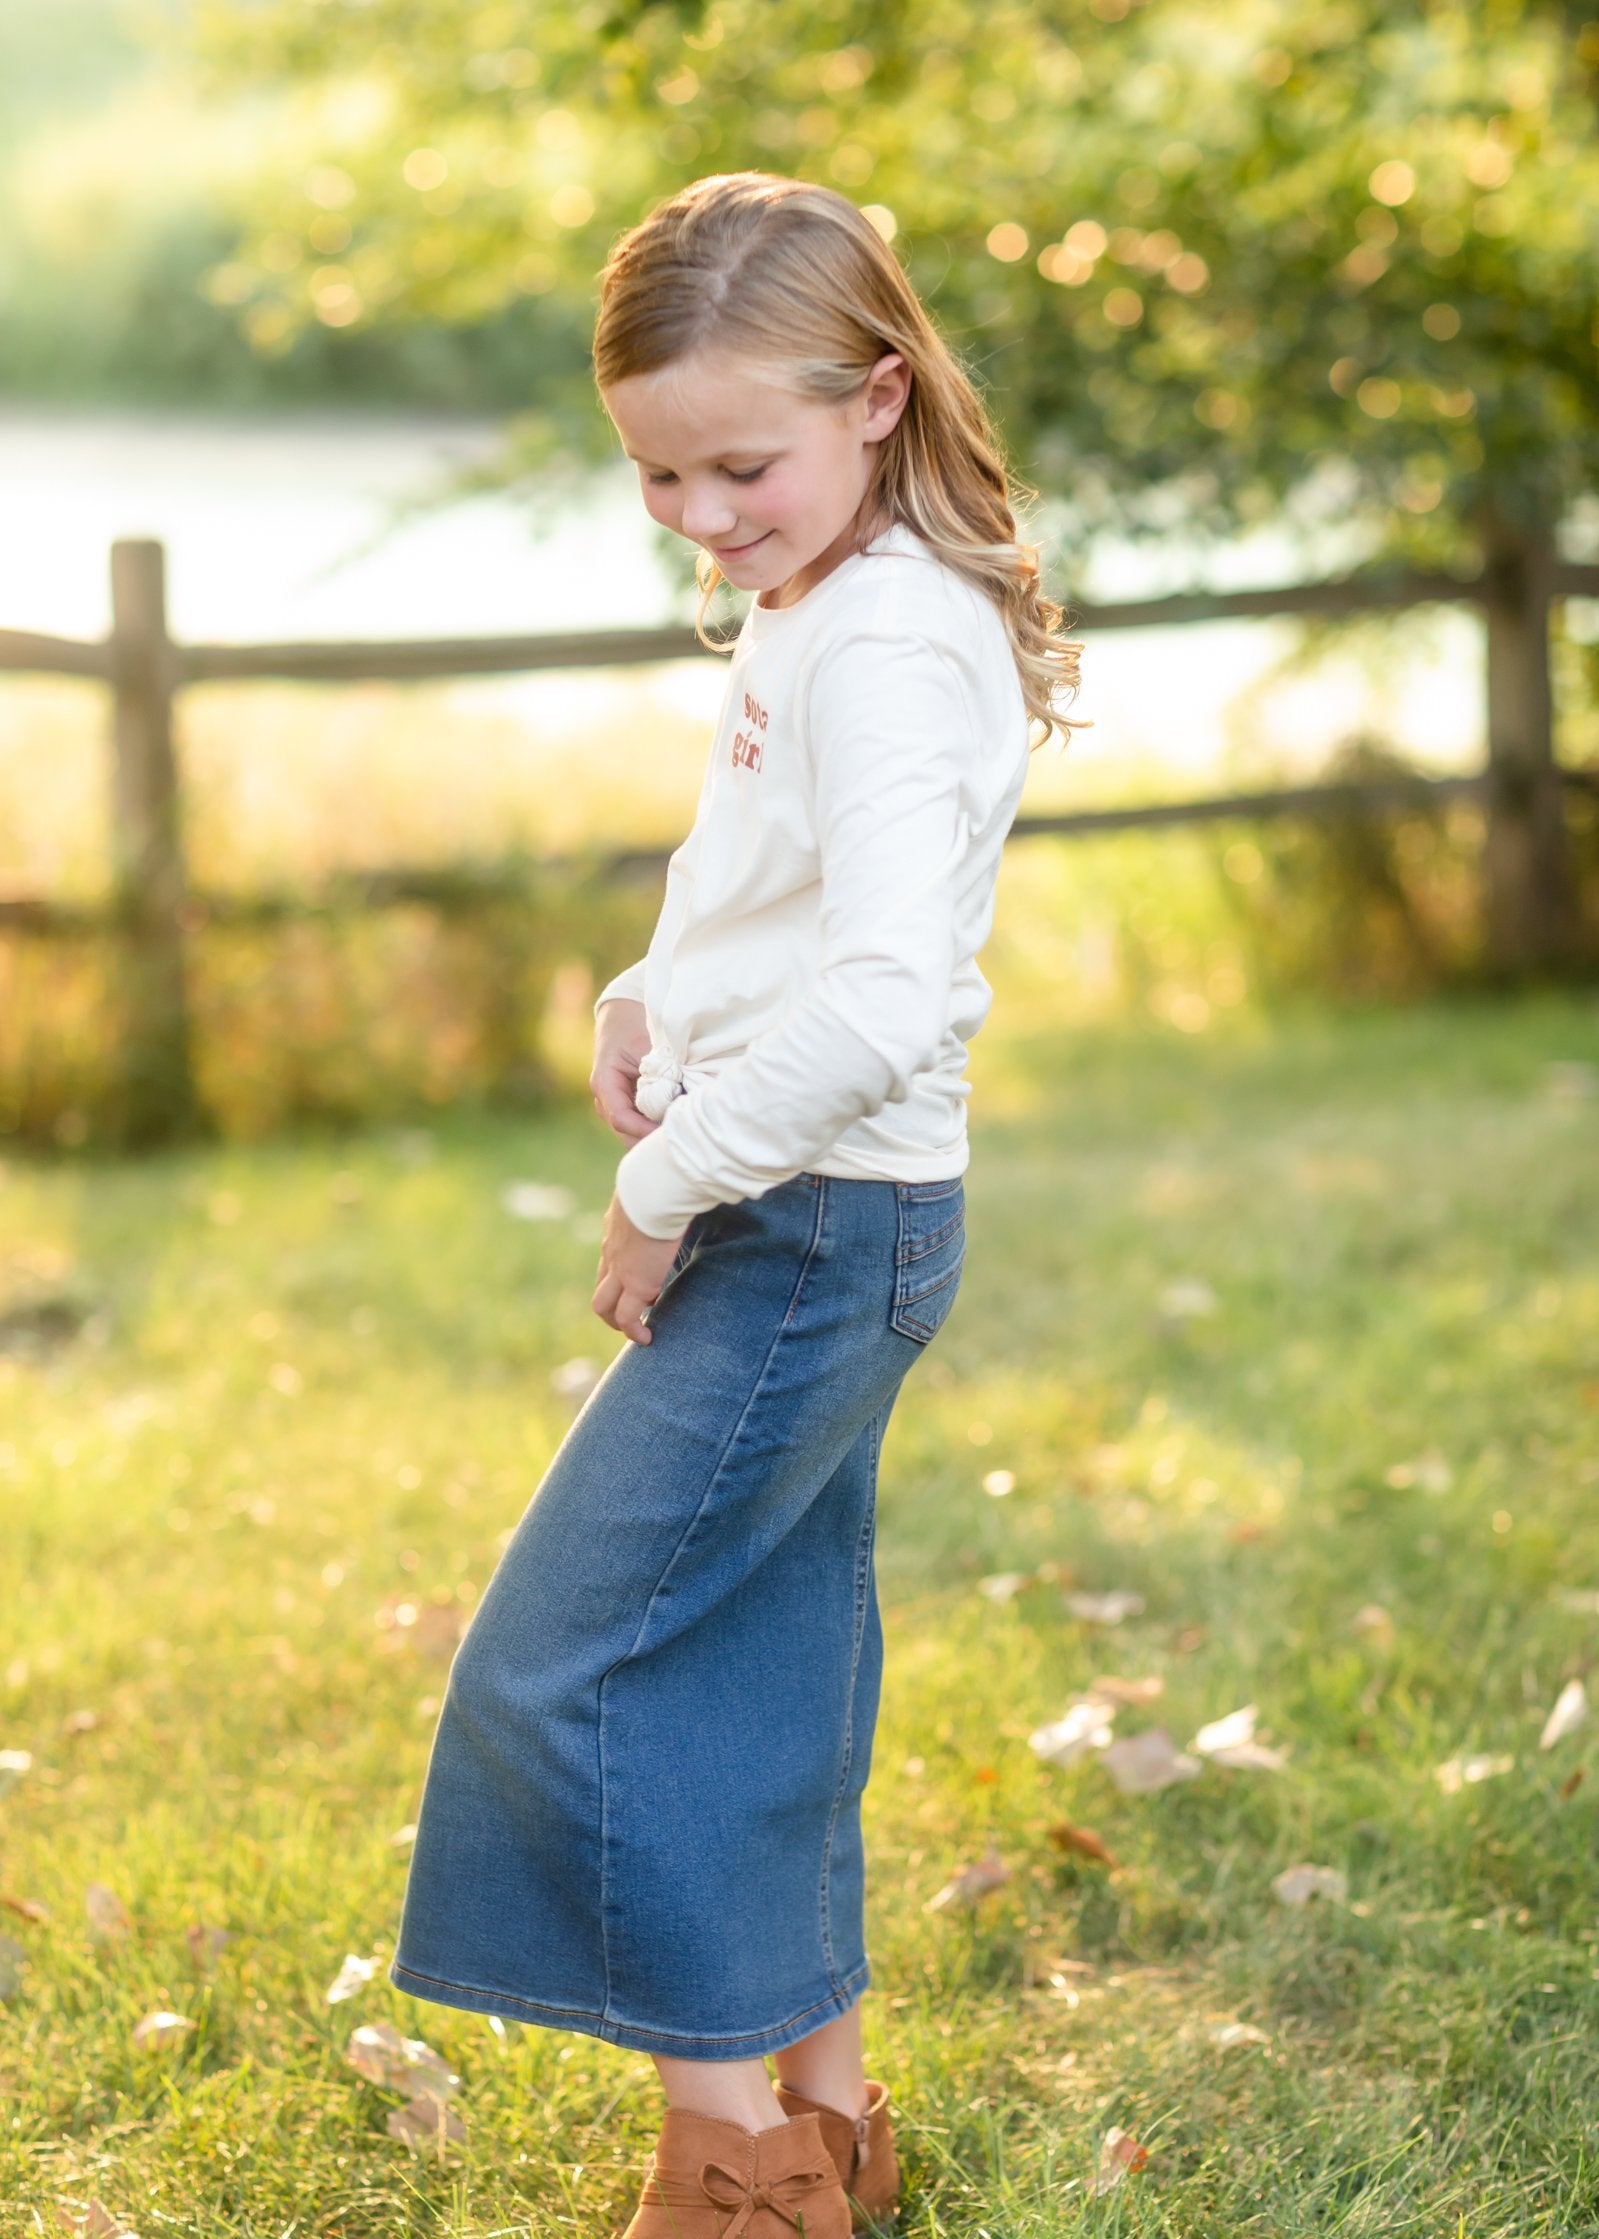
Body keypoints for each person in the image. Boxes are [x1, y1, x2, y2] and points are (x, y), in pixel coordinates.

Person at [390, 171, 1085, 2237]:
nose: (698, 510)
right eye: (656, 471)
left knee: (570, 1669)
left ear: (876, 395)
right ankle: (832, 2126)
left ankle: (738, 2175)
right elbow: (790, 904)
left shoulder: (882, 636)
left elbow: (881, 995)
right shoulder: (825, 591)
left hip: (800, 1226)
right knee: (759, 1657)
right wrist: (650, 991)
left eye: (737, 462)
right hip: (829, 1216)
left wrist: (662, 1177)